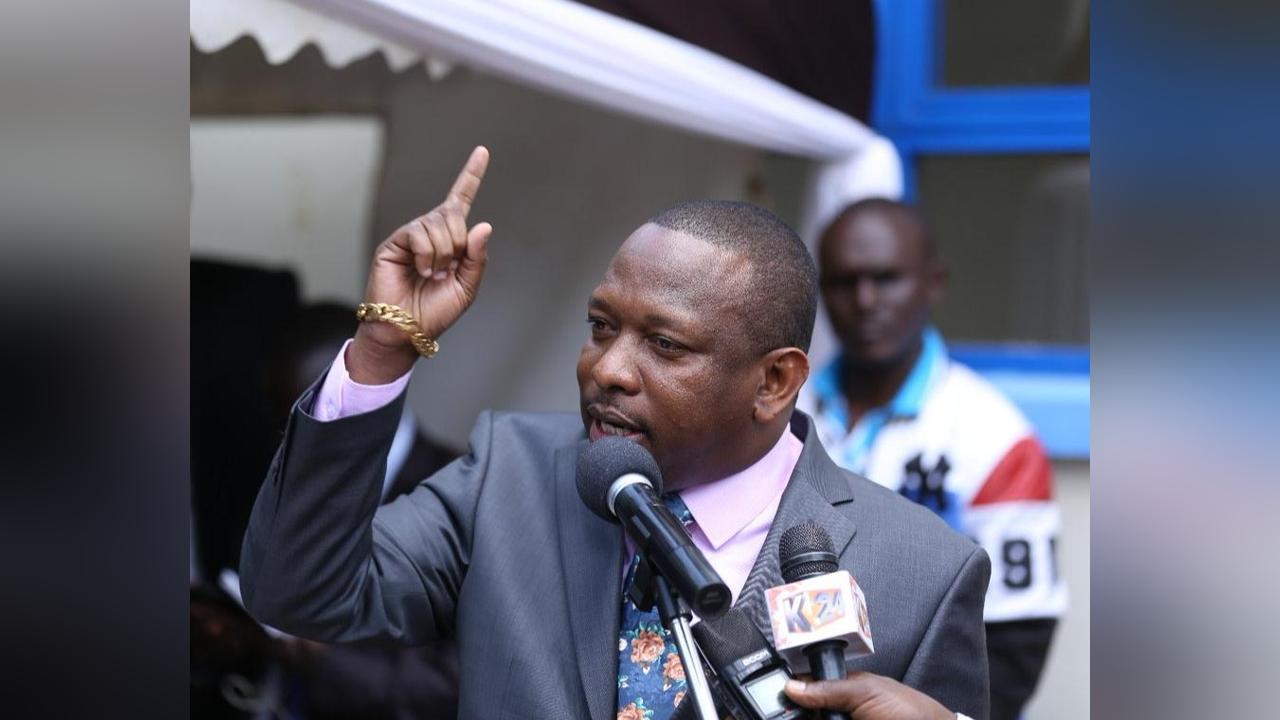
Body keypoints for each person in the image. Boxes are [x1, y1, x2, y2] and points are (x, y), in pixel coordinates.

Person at [240, 147, 991, 720]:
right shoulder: (508, 475)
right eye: (601, 327)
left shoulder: (923, 572)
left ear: (774, 382)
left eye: (664, 345)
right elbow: (298, 593)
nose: (608, 370)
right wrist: (382, 348)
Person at [798, 199, 1068, 720]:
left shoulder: (994, 436)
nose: (865, 300)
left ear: (934, 282)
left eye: (886, 279)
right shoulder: (783, 407)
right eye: (844, 282)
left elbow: (1017, 640)